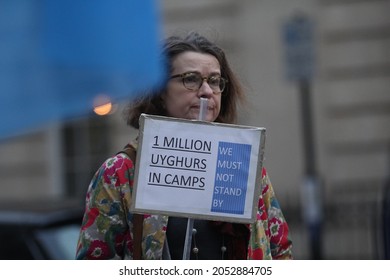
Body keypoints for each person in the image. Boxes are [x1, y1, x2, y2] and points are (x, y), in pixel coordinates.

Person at [75, 31, 293, 260]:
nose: (207, 91)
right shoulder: (120, 174)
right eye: (191, 79)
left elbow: (280, 250)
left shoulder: (243, 166)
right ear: (159, 91)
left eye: (215, 81)